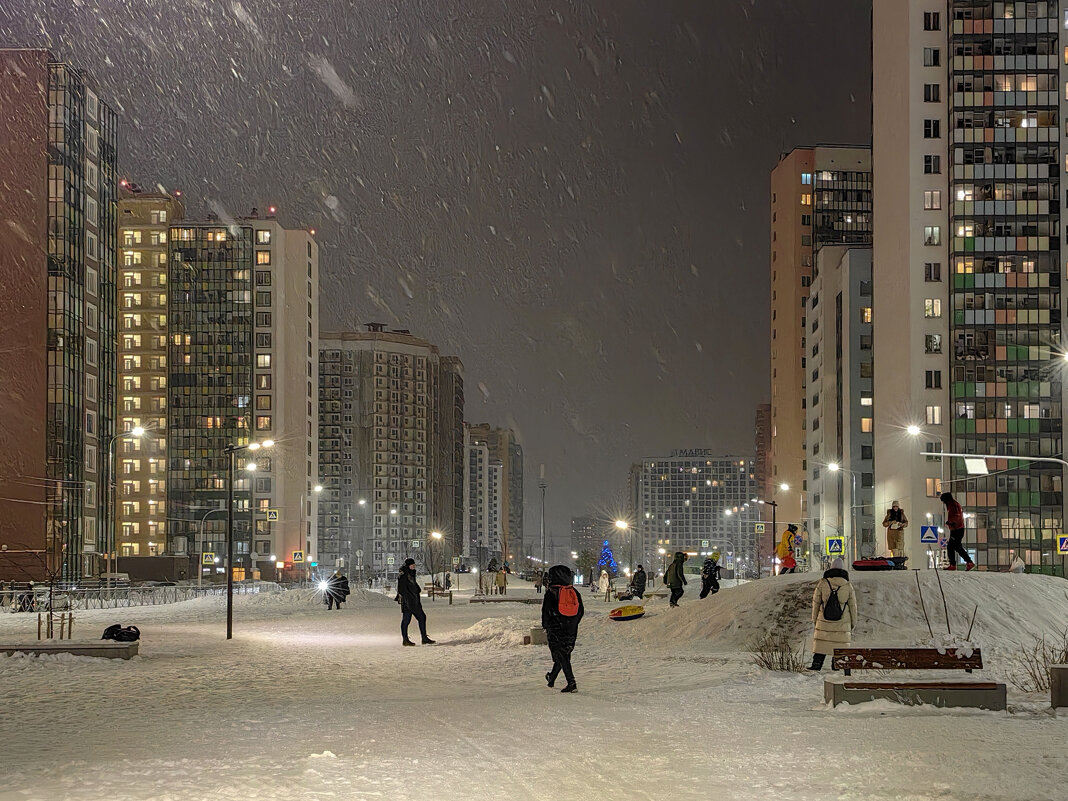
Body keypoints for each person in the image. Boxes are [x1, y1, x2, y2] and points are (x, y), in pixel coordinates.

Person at [809, 557, 858, 671]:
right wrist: (852, 623)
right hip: (843, 620)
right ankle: (836, 665)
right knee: (839, 643)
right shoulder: (847, 585)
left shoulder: (823, 583)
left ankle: (817, 664)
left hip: (824, 619)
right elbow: (852, 606)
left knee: (822, 642)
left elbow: (816, 603)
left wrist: (815, 619)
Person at [542, 564, 584, 693]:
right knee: (564, 654)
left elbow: (546, 611)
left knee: (561, 655)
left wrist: (546, 625)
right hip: (571, 629)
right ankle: (552, 678)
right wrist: (573, 623)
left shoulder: (551, 592)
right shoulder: (573, 591)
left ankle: (571, 682)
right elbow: (580, 610)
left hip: (556, 628)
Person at [395, 558, 435, 646]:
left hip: (414, 600)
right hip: (408, 602)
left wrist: (417, 591)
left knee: (421, 617)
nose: (414, 566)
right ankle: (406, 639)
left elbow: (413, 586)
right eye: (412, 565)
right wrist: (407, 600)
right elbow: (402, 589)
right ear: (408, 566)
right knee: (407, 620)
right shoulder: (404, 575)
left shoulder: (410, 574)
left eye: (414, 565)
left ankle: (423, 638)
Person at [940, 491, 975, 571]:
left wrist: (951, 522)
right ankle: (969, 562)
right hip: (957, 528)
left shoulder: (953, 505)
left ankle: (953, 565)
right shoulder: (953, 504)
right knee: (957, 547)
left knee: (951, 547)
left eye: (943, 501)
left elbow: (956, 516)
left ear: (946, 499)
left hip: (957, 529)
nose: (943, 503)